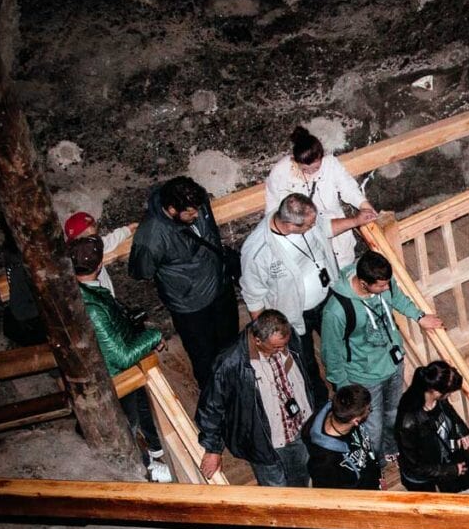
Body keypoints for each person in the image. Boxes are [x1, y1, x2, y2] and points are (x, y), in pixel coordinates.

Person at [321, 251, 443, 466]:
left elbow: (397, 298)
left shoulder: (383, 279)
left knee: (393, 412)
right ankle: (375, 465)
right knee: (372, 427)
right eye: (381, 286)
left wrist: (419, 317)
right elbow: (332, 353)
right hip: (364, 375)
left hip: (393, 363)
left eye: (387, 283)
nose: (387, 288)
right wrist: (343, 387)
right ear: (364, 283)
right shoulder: (337, 311)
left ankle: (391, 448)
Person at [69, 236, 171, 482]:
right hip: (115, 378)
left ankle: (153, 450)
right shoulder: (91, 306)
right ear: (100, 265)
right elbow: (122, 356)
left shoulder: (81, 292)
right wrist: (153, 335)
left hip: (114, 371)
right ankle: (144, 469)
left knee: (140, 406)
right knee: (127, 422)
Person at [128, 176, 239, 389]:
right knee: (204, 357)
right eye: (190, 212)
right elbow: (141, 270)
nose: (197, 215)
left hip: (219, 288)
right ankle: (215, 398)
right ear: (171, 210)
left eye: (198, 209)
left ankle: (237, 385)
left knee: (230, 343)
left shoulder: (197, 202)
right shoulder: (151, 235)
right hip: (190, 305)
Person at [196, 310, 315, 487]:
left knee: (301, 482)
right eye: (276, 347)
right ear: (257, 340)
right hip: (264, 443)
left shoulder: (288, 339)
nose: (282, 350)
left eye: (284, 344)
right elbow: (211, 408)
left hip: (299, 429)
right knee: (274, 490)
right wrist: (213, 449)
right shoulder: (230, 362)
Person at [240, 193, 335, 406]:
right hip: (293, 315)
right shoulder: (257, 251)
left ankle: (344, 390)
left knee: (336, 347)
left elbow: (325, 228)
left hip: (325, 299)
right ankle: (319, 404)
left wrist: (356, 220)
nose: (314, 224)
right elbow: (254, 295)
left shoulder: (305, 221)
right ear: (291, 225)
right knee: (305, 361)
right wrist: (268, 336)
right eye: (310, 224)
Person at [264, 125, 377, 270]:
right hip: (303, 234)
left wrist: (365, 206)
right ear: (295, 160)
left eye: (316, 168)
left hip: (335, 229)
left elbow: (348, 187)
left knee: (342, 269)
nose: (311, 173)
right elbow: (272, 207)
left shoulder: (330, 164)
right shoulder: (281, 172)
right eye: (305, 169)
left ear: (321, 157)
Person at [394, 361, 469, 493]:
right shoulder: (408, 422)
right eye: (449, 393)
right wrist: (452, 470)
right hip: (430, 474)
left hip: (446, 458)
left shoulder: (436, 398)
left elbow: (449, 410)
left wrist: (461, 430)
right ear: (436, 392)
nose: (450, 396)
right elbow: (415, 466)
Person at [306, 384, 381, 489]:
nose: (370, 410)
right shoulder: (325, 461)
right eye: (369, 409)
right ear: (355, 420)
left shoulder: (343, 416)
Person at [63, 211, 137, 297]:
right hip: (101, 297)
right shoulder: (93, 247)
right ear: (91, 229)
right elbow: (109, 242)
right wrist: (128, 229)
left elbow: (108, 241)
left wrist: (127, 229)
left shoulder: (75, 251)